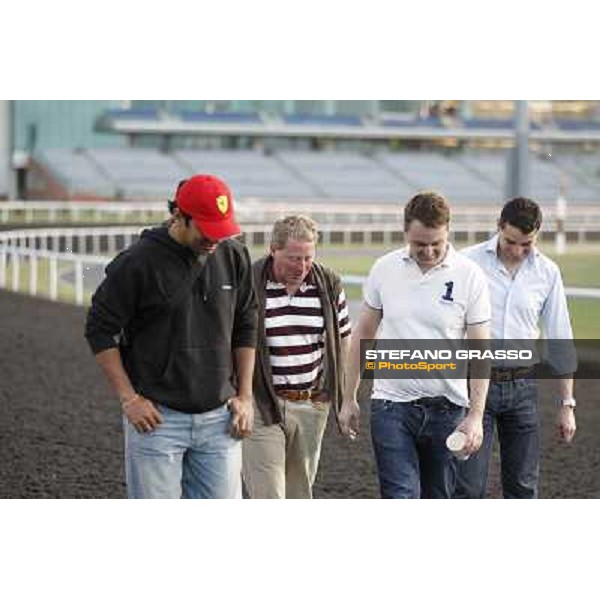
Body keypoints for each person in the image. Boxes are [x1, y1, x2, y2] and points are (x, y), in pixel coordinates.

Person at [85, 174, 257, 499]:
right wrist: (129, 399)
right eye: (206, 229)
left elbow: (246, 322)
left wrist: (246, 395)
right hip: (158, 423)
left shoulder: (234, 255)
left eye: (221, 229)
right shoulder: (137, 262)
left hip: (222, 421)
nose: (214, 239)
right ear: (179, 215)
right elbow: (99, 329)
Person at [339, 191, 492, 499]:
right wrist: (349, 397)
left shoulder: (470, 276)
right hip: (390, 408)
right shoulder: (384, 268)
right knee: (400, 496)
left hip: (448, 410)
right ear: (405, 232)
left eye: (436, 243)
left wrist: (475, 415)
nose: (429, 251)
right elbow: (363, 333)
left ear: (448, 231)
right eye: (420, 244)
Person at [455, 197, 577, 499]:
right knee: (467, 489)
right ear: (499, 227)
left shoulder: (548, 272)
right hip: (471, 386)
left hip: (523, 388)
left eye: (527, 244)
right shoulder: (466, 263)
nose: (518, 251)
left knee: (523, 487)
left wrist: (567, 405)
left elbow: (560, 339)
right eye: (511, 242)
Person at [242, 215, 351, 499]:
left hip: (311, 404)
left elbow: (344, 339)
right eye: (292, 258)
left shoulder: (328, 284)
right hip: (261, 403)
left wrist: (344, 396)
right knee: (269, 495)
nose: (301, 267)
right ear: (273, 249)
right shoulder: (249, 284)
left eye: (307, 258)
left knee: (299, 494)